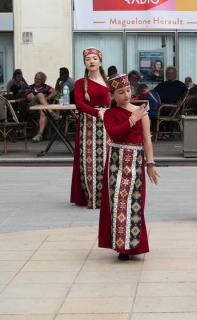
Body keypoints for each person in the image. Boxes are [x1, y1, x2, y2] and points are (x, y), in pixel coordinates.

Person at [98, 73, 159, 261]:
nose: (126, 94)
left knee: (135, 203)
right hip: (116, 162)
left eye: (128, 90)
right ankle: (121, 246)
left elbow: (147, 140)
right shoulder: (109, 114)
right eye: (120, 92)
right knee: (117, 202)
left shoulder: (142, 112)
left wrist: (150, 163)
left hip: (136, 162)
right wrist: (132, 119)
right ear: (113, 95)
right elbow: (115, 134)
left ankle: (134, 244)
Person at [70, 47, 110, 209]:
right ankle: (93, 197)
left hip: (108, 124)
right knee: (90, 161)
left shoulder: (109, 82)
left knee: (107, 159)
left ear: (100, 61)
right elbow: (79, 104)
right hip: (88, 126)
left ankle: (108, 196)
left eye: (94, 58)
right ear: (85, 63)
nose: (91, 61)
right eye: (88, 59)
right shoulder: (81, 83)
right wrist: (96, 112)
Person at [26, 72, 57, 142]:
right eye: (35, 78)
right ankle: (51, 112)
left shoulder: (46, 87)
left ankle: (40, 134)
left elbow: (55, 92)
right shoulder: (30, 87)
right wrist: (41, 97)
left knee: (44, 110)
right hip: (32, 107)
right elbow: (30, 97)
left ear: (43, 81)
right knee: (40, 94)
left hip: (42, 107)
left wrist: (46, 98)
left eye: (39, 79)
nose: (36, 80)